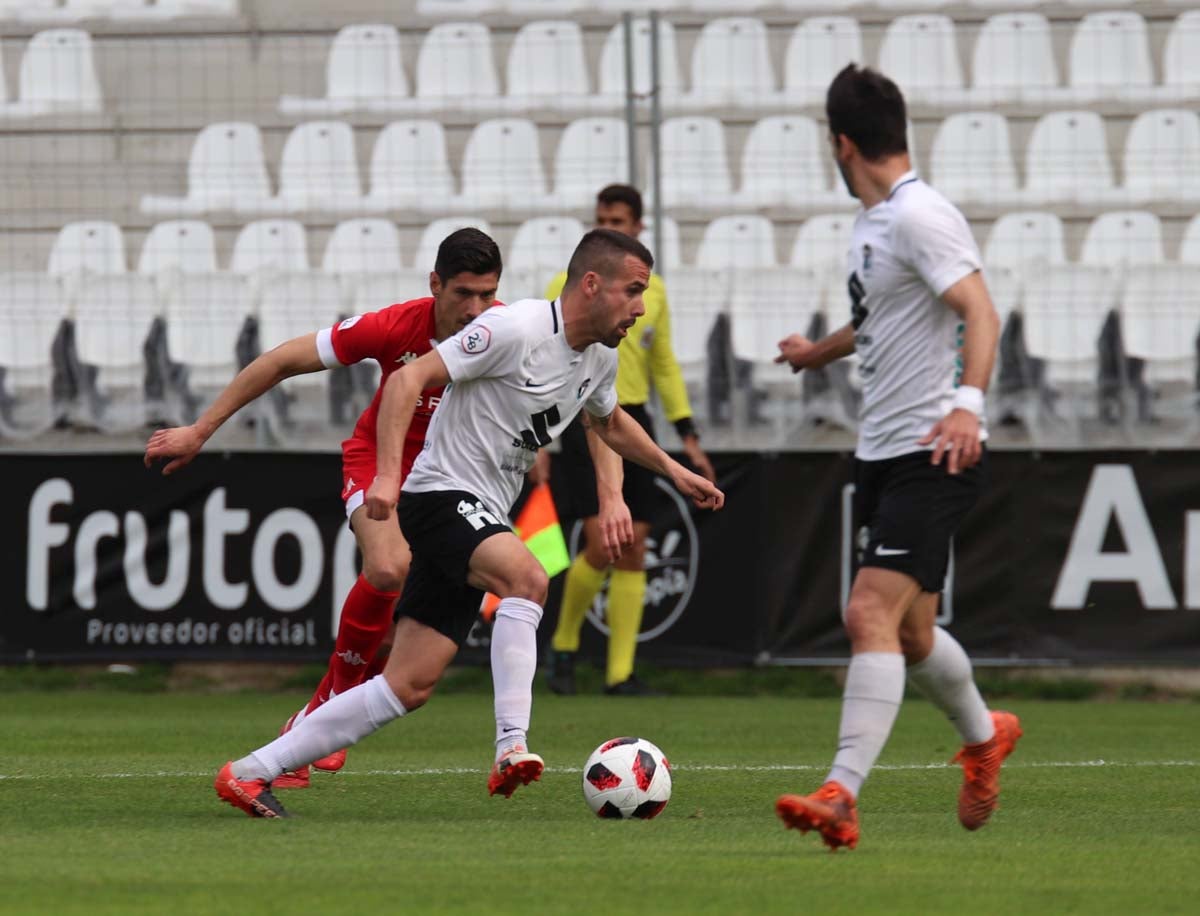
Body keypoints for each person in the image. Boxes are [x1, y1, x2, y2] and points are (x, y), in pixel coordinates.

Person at [210, 228, 724, 818]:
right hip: (437, 494)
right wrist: (384, 478)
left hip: (477, 509)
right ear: (592, 285)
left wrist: (670, 471)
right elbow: (406, 380)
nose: (640, 307)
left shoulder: (600, 359)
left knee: (409, 685)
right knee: (528, 578)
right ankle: (512, 746)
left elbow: (607, 423)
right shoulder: (515, 329)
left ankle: (250, 772)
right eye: (633, 292)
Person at [145, 228, 504, 788]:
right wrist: (200, 429)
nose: (476, 310)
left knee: (403, 639)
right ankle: (329, 703)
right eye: (463, 294)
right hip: (380, 464)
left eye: (487, 294)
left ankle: (312, 719)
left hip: (454, 482)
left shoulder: (505, 332)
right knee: (388, 568)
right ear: (434, 285)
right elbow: (283, 359)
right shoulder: (395, 326)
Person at [772, 65, 1021, 851]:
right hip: (880, 452)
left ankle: (841, 793)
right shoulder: (876, 221)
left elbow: (981, 309)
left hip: (933, 449)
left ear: (841, 143)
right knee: (911, 636)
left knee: (865, 613)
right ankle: (985, 739)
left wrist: (967, 406)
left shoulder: (920, 216)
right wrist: (818, 354)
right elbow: (880, 317)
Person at [543, 184, 717, 697]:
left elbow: (663, 364)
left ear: (639, 226)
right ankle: (565, 644)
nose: (611, 226)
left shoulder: (651, 293)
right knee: (602, 541)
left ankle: (620, 674)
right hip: (583, 416)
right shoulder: (568, 284)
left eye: (619, 219)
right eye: (602, 219)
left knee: (635, 546)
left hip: (632, 416)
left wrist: (687, 433)